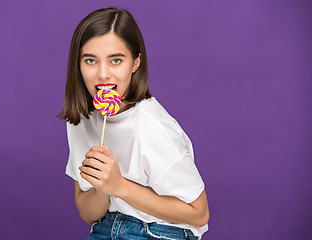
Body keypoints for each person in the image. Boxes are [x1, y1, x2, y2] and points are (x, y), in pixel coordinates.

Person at [59, 7, 209, 240]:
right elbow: (89, 214)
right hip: (103, 228)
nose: (103, 74)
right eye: (90, 60)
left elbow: (199, 214)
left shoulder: (153, 126)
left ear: (135, 63)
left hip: (161, 231)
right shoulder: (82, 122)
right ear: (78, 65)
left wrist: (119, 186)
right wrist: (102, 187)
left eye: (116, 60)